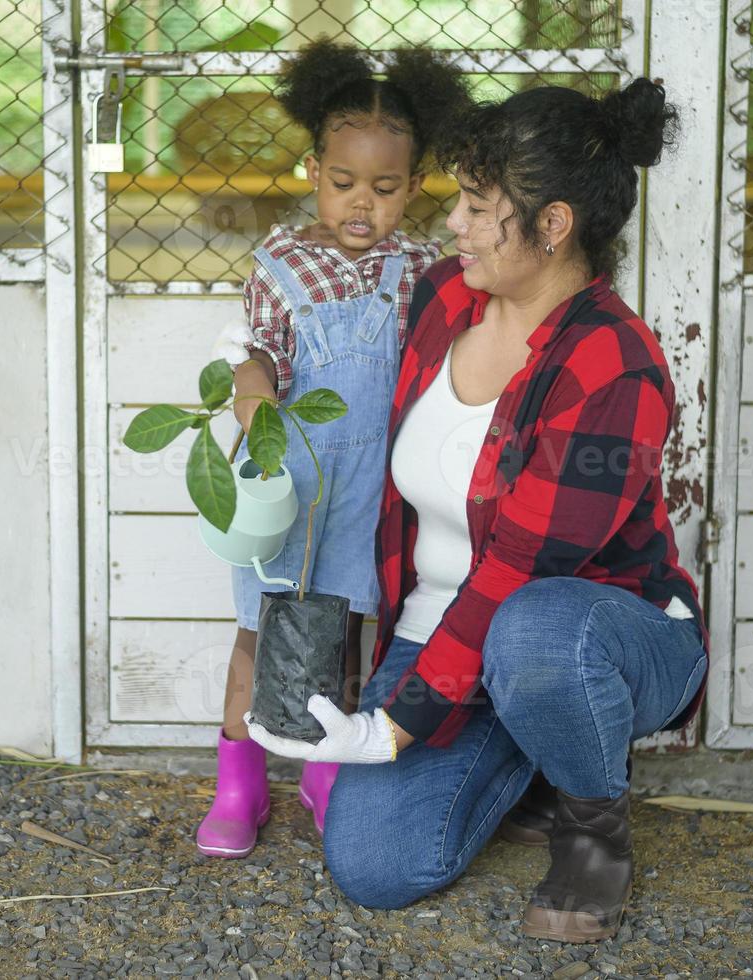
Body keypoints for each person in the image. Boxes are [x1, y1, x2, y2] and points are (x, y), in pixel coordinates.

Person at [245, 77, 710, 944]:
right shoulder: (444, 300)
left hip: (594, 636)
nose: (451, 221)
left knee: (532, 629)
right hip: (447, 637)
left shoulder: (612, 363)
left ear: (552, 224)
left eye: (474, 203)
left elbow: (520, 569)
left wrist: (395, 723)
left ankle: (591, 833)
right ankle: (530, 756)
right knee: (375, 869)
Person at [195, 38, 472, 859]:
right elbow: (255, 352)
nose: (362, 204)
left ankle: (323, 771)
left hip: (373, 491)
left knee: (349, 630)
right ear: (311, 170)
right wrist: (250, 393)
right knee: (261, 628)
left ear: (414, 188)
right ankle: (238, 784)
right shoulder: (281, 263)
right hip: (295, 480)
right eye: (343, 183)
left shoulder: (424, 266)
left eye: (384, 188)